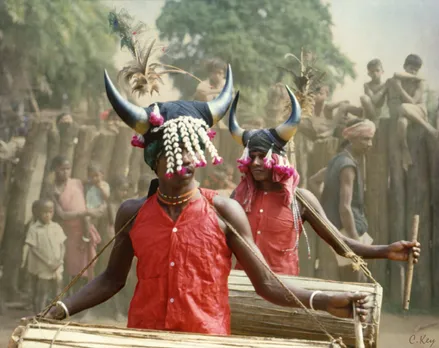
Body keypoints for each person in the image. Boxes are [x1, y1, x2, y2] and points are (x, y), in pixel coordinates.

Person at [38, 66, 371, 335]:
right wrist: (61, 309)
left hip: (207, 339)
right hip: (143, 339)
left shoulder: (225, 211)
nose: (187, 162)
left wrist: (325, 300)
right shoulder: (132, 213)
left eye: (193, 151)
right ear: (154, 159)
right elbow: (112, 279)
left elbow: (267, 283)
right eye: (175, 153)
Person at [228, 88, 421, 279]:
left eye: (262, 156)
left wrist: (386, 251)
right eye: (251, 157)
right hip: (242, 291)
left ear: (277, 160)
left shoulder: (300, 200)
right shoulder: (238, 198)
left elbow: (340, 242)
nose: (255, 163)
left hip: (286, 293)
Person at [320, 119, 377, 281]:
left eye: (371, 139)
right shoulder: (347, 166)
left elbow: (314, 180)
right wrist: (355, 241)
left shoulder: (337, 160)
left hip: (339, 228)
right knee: (358, 281)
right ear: (352, 138)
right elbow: (345, 208)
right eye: (365, 139)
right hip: (347, 230)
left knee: (355, 280)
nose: (370, 144)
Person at [46, 155, 101, 292]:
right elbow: (62, 214)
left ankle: (82, 297)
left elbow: (95, 189)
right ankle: (63, 296)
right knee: (68, 265)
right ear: (54, 170)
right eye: (62, 169)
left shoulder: (77, 183)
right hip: (67, 232)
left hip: (84, 230)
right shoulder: (53, 190)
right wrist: (85, 213)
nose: (65, 172)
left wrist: (94, 211)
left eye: (68, 169)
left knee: (85, 264)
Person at [387, 54, 438, 170]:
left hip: (419, 110)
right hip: (406, 114)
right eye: (411, 68)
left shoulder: (419, 82)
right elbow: (395, 75)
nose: (414, 72)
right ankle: (405, 150)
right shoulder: (400, 79)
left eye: (416, 70)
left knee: (403, 107)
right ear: (405, 67)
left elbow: (413, 102)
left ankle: (429, 128)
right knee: (401, 122)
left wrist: (399, 89)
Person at [21, 199, 66, 313]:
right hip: (43, 266)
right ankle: (39, 315)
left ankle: (56, 314)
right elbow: (33, 249)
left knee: (58, 290)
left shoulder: (56, 227)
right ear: (38, 213)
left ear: (53, 212)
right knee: (42, 292)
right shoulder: (34, 229)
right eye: (44, 212)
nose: (47, 215)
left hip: (57, 265)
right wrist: (47, 262)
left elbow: (62, 246)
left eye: (50, 212)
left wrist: (60, 260)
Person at [334, 59, 387, 130]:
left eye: (377, 70)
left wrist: (384, 88)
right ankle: (332, 128)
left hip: (376, 115)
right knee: (344, 106)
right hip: (366, 112)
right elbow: (373, 100)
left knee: (364, 98)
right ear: (369, 74)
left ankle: (366, 120)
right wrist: (383, 90)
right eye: (372, 71)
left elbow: (375, 102)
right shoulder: (367, 85)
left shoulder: (384, 85)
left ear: (382, 72)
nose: (375, 73)